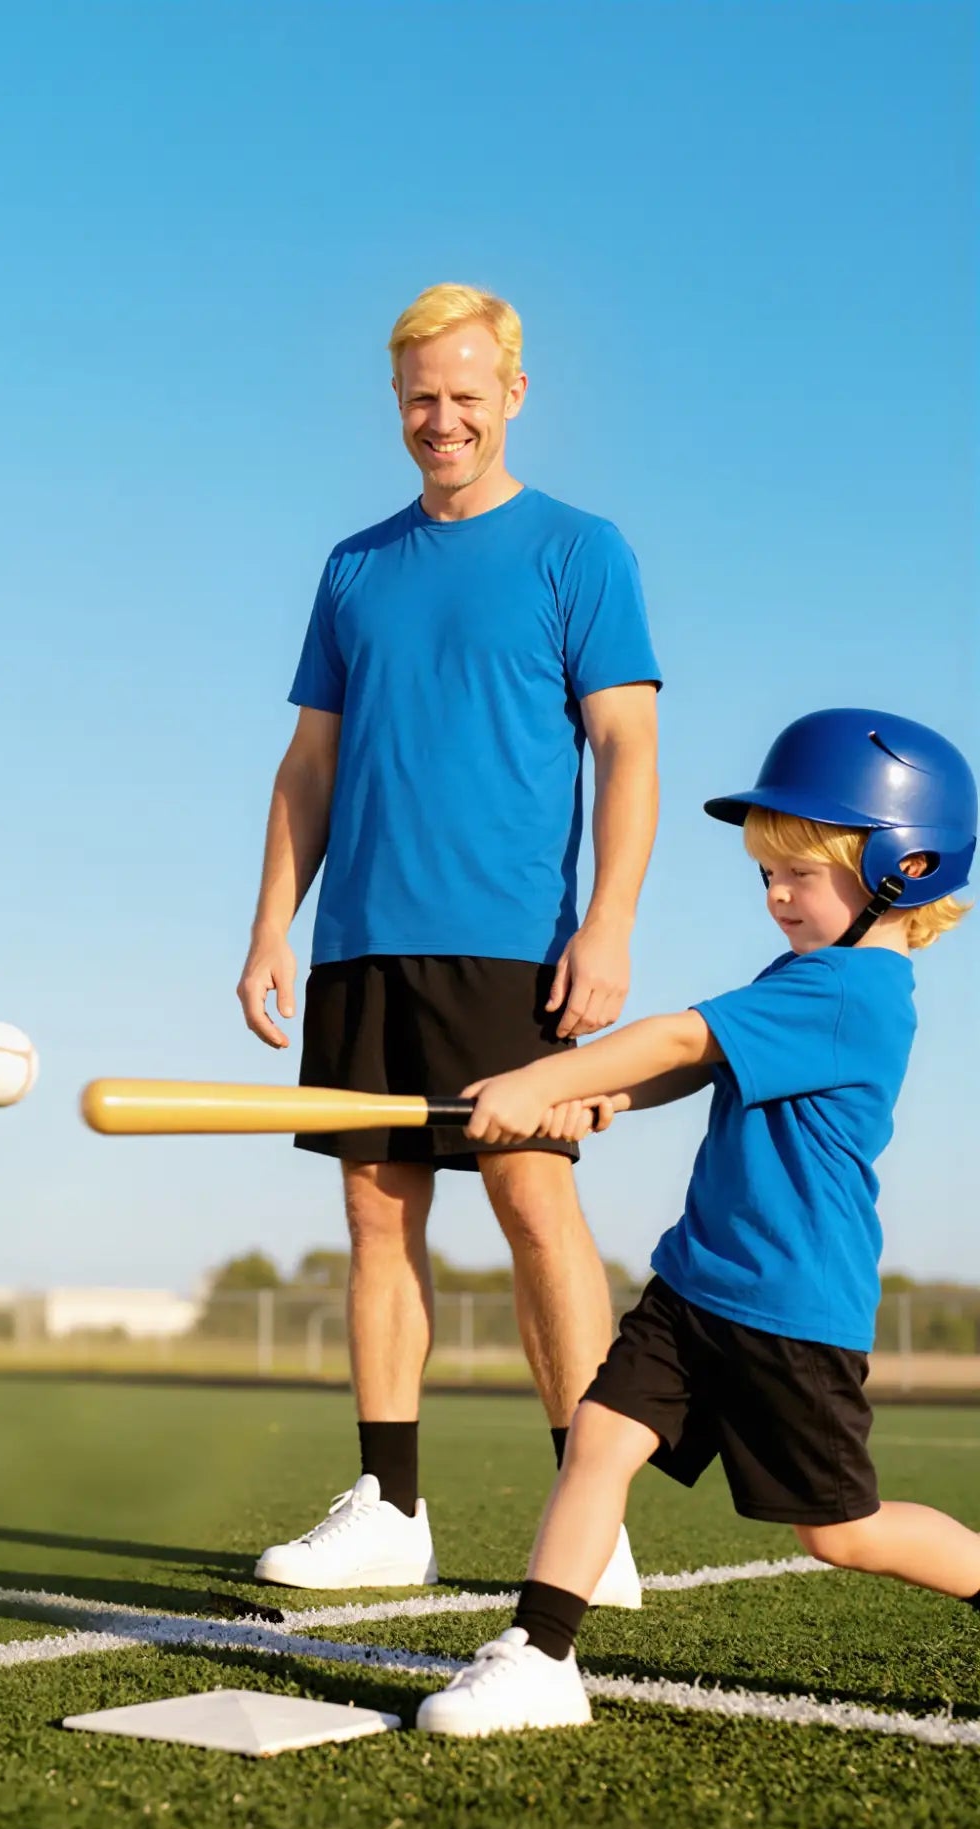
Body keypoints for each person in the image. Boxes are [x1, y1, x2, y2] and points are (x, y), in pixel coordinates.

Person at [417, 709, 979, 1736]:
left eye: (795, 871)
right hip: (694, 1284)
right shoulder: (804, 979)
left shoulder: (853, 990)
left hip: (788, 1310)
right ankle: (538, 1654)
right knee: (596, 1435)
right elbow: (696, 1062)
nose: (772, 894)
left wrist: (546, 1072)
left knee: (839, 1531)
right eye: (764, 871)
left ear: (902, 865)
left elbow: (679, 1031)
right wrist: (603, 1100)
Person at [240, 283, 660, 1596]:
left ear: (514, 393)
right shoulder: (353, 567)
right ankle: (390, 1505)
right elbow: (309, 764)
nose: (443, 419)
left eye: (466, 395)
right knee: (377, 1216)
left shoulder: (579, 551)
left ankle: (591, 1520)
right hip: (365, 942)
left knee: (539, 1205)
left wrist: (608, 923)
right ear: (398, 401)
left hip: (513, 947)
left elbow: (629, 748)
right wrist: (271, 926)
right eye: (421, 396)